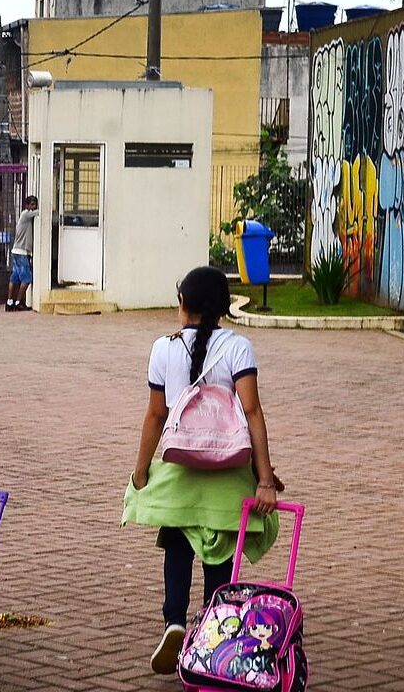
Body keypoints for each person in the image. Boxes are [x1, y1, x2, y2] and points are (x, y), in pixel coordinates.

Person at [122, 265, 281, 675]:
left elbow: (156, 415)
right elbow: (252, 412)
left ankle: (173, 620)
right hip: (228, 473)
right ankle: (215, 631)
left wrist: (141, 471)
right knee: (221, 554)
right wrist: (264, 478)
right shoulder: (239, 348)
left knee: (176, 543)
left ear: (183, 305)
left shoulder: (163, 348)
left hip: (180, 470)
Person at [6, 195, 38, 312]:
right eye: (32, 204)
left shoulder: (25, 216)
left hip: (17, 251)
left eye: (35, 204)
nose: (33, 207)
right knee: (27, 278)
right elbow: (42, 212)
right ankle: (18, 302)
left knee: (14, 278)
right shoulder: (26, 214)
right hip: (21, 252)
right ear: (27, 205)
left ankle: (9, 302)